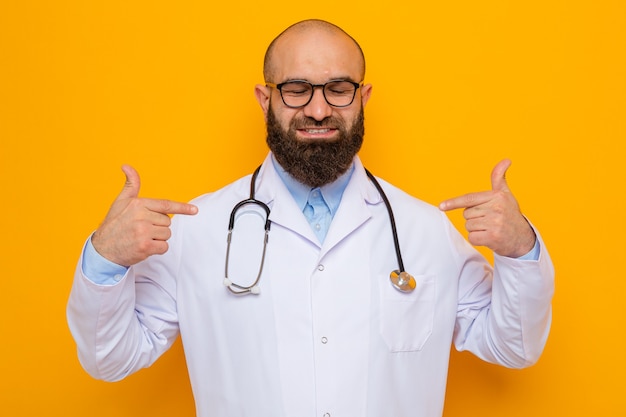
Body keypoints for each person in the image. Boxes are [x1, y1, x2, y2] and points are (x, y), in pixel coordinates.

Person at [67, 19, 554, 417]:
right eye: (297, 89)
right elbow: (110, 358)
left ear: (362, 98)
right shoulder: (199, 228)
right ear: (266, 99)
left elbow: (512, 347)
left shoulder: (424, 230)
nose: (318, 109)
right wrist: (105, 259)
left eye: (338, 89)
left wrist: (520, 250)